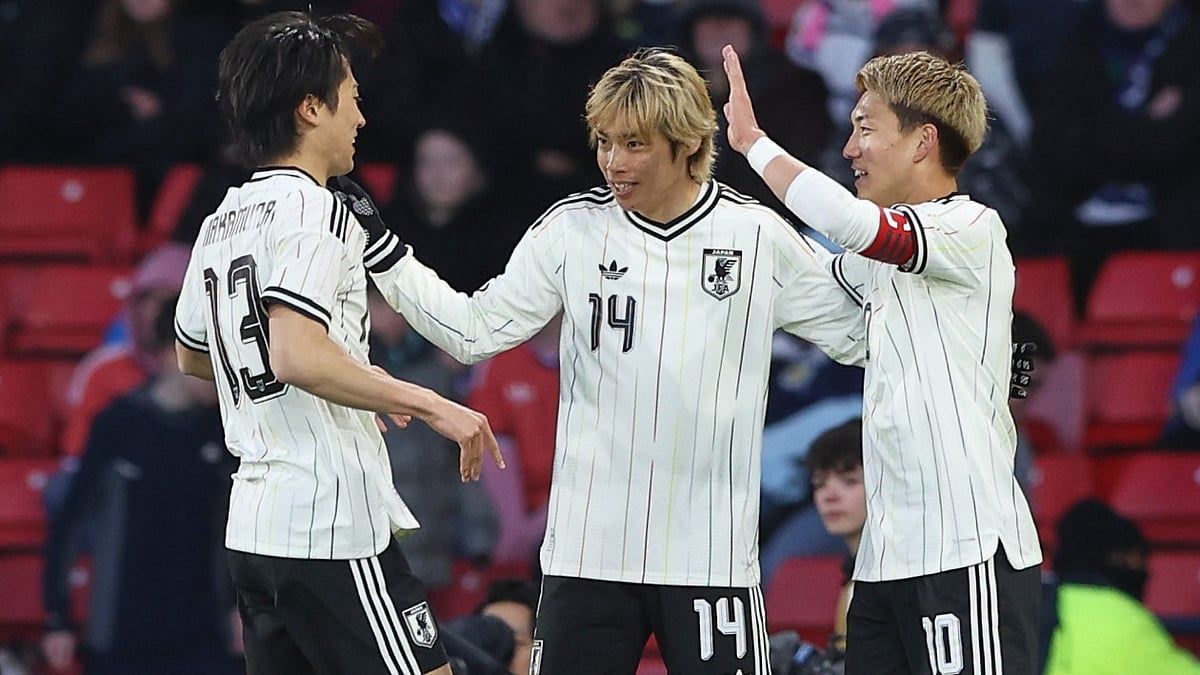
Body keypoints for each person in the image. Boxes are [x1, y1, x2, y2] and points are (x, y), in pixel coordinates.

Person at [338, 47, 869, 673]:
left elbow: (860, 337)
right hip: (586, 556)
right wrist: (385, 251)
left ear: (688, 144)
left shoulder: (756, 237)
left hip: (711, 556)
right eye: (605, 143)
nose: (614, 163)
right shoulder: (571, 230)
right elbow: (474, 331)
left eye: (635, 145)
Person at [172, 11, 503, 675]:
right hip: (329, 518)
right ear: (310, 108)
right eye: (352, 98)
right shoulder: (317, 208)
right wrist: (428, 401)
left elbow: (192, 353)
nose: (361, 117)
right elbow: (295, 353)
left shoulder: (221, 218)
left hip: (256, 526)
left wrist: (344, 384)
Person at [723, 43, 1043, 675]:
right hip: (884, 560)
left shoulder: (973, 228)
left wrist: (755, 143)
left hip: (967, 549)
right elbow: (801, 281)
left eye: (865, 129)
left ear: (923, 142)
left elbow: (852, 225)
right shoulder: (876, 265)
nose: (849, 150)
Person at [41, 297, 243, 675]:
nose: (223, 373)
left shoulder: (228, 431)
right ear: (171, 353)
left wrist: (242, 607)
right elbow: (69, 524)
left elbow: (241, 531)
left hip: (205, 636)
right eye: (212, 359)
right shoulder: (118, 424)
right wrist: (59, 618)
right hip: (123, 634)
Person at [1042, 499, 1200, 674]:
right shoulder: (1124, 618)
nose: (1141, 566)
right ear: (1119, 556)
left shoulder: (1029, 605)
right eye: (1138, 557)